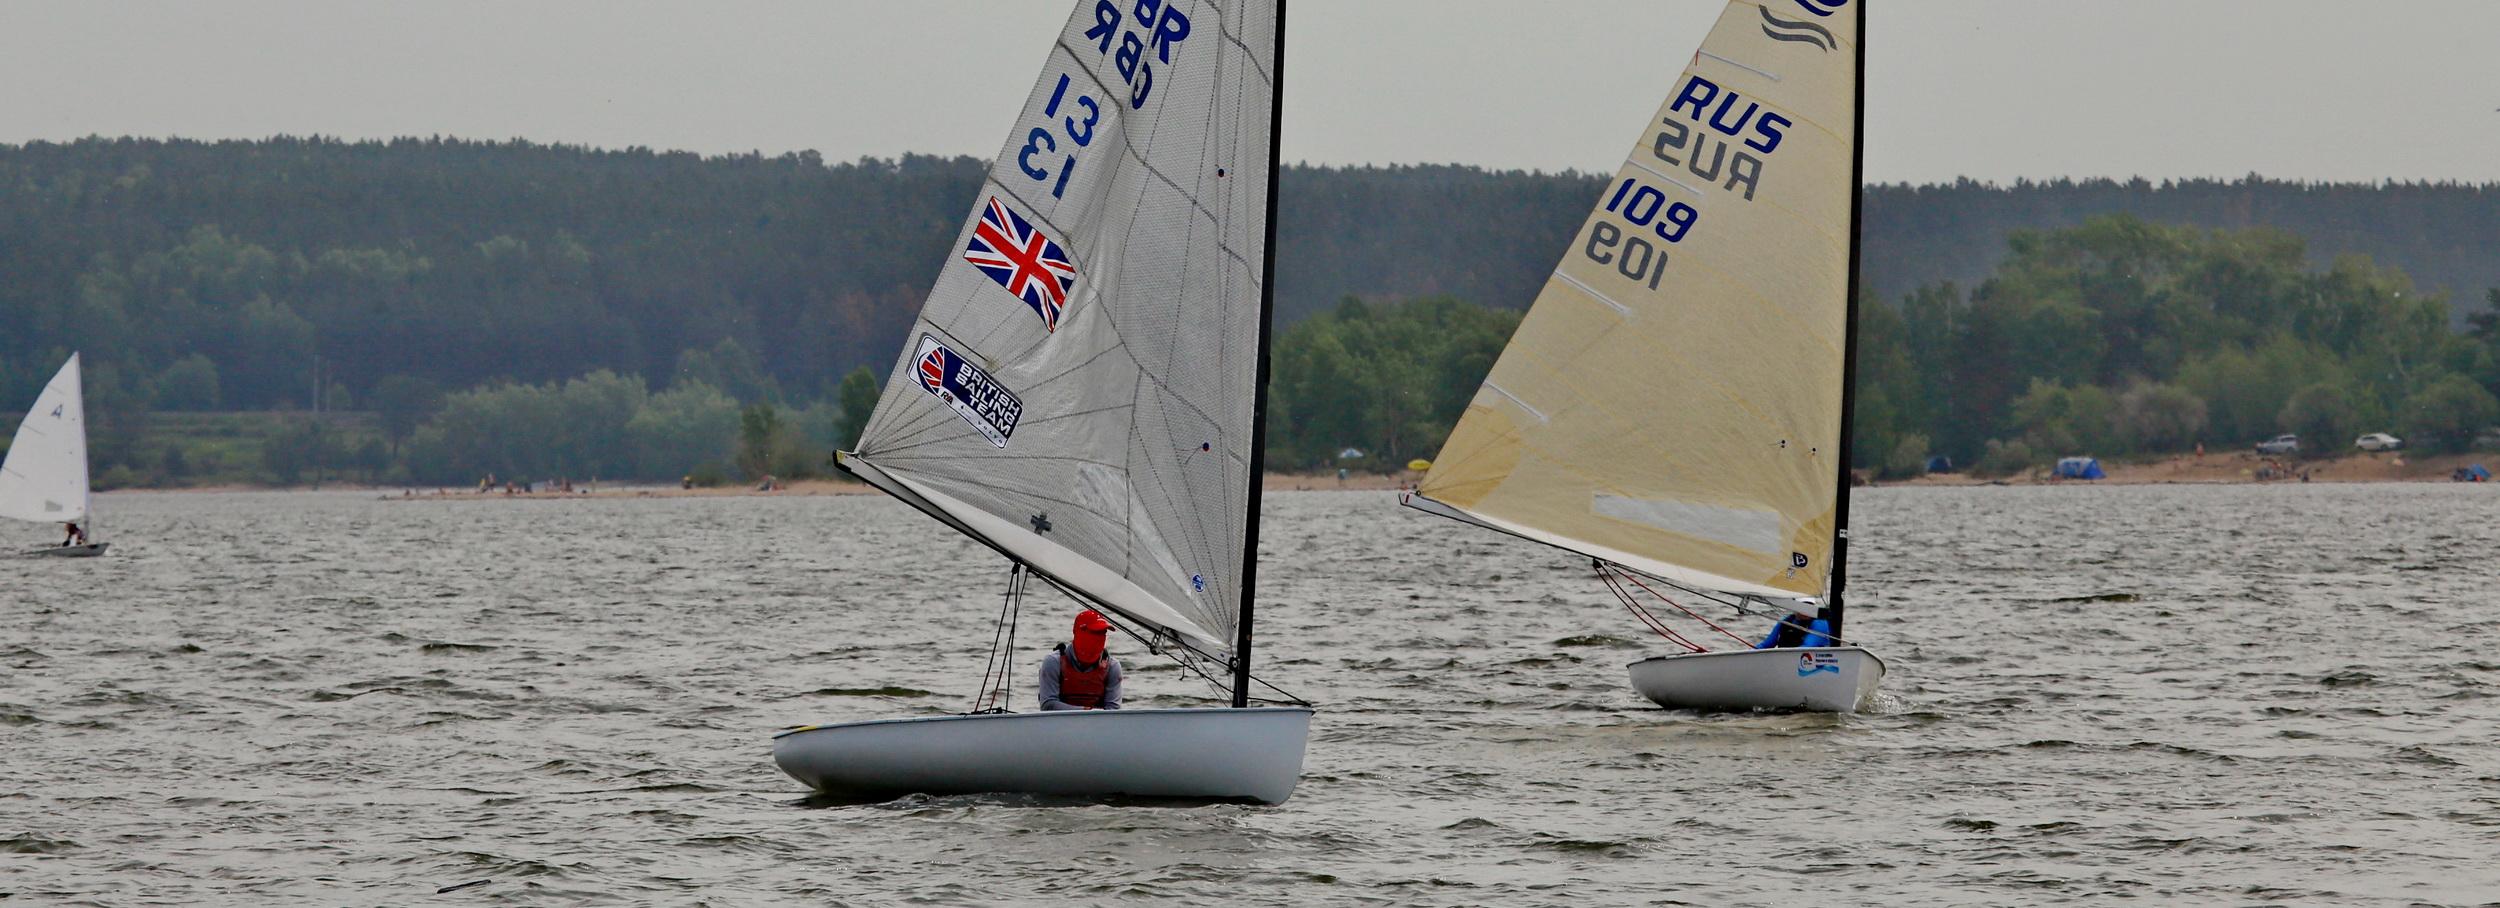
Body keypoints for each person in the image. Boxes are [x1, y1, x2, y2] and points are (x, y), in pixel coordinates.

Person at [1039, 609, 1124, 711]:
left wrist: (1087, 714)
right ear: (1077, 632)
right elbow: (1048, 705)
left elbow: (1113, 711)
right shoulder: (1053, 662)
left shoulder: (1112, 667)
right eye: (1095, 632)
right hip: (1060, 725)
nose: (1099, 638)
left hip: (1099, 725)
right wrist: (1085, 712)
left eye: (1103, 633)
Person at [1754, 601, 1833, 649]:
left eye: (1810, 606)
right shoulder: (1786, 622)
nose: (1806, 610)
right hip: (1787, 661)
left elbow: (1808, 646)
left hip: (1809, 662)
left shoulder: (1820, 623)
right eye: (1803, 606)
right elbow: (1767, 644)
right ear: (1795, 608)